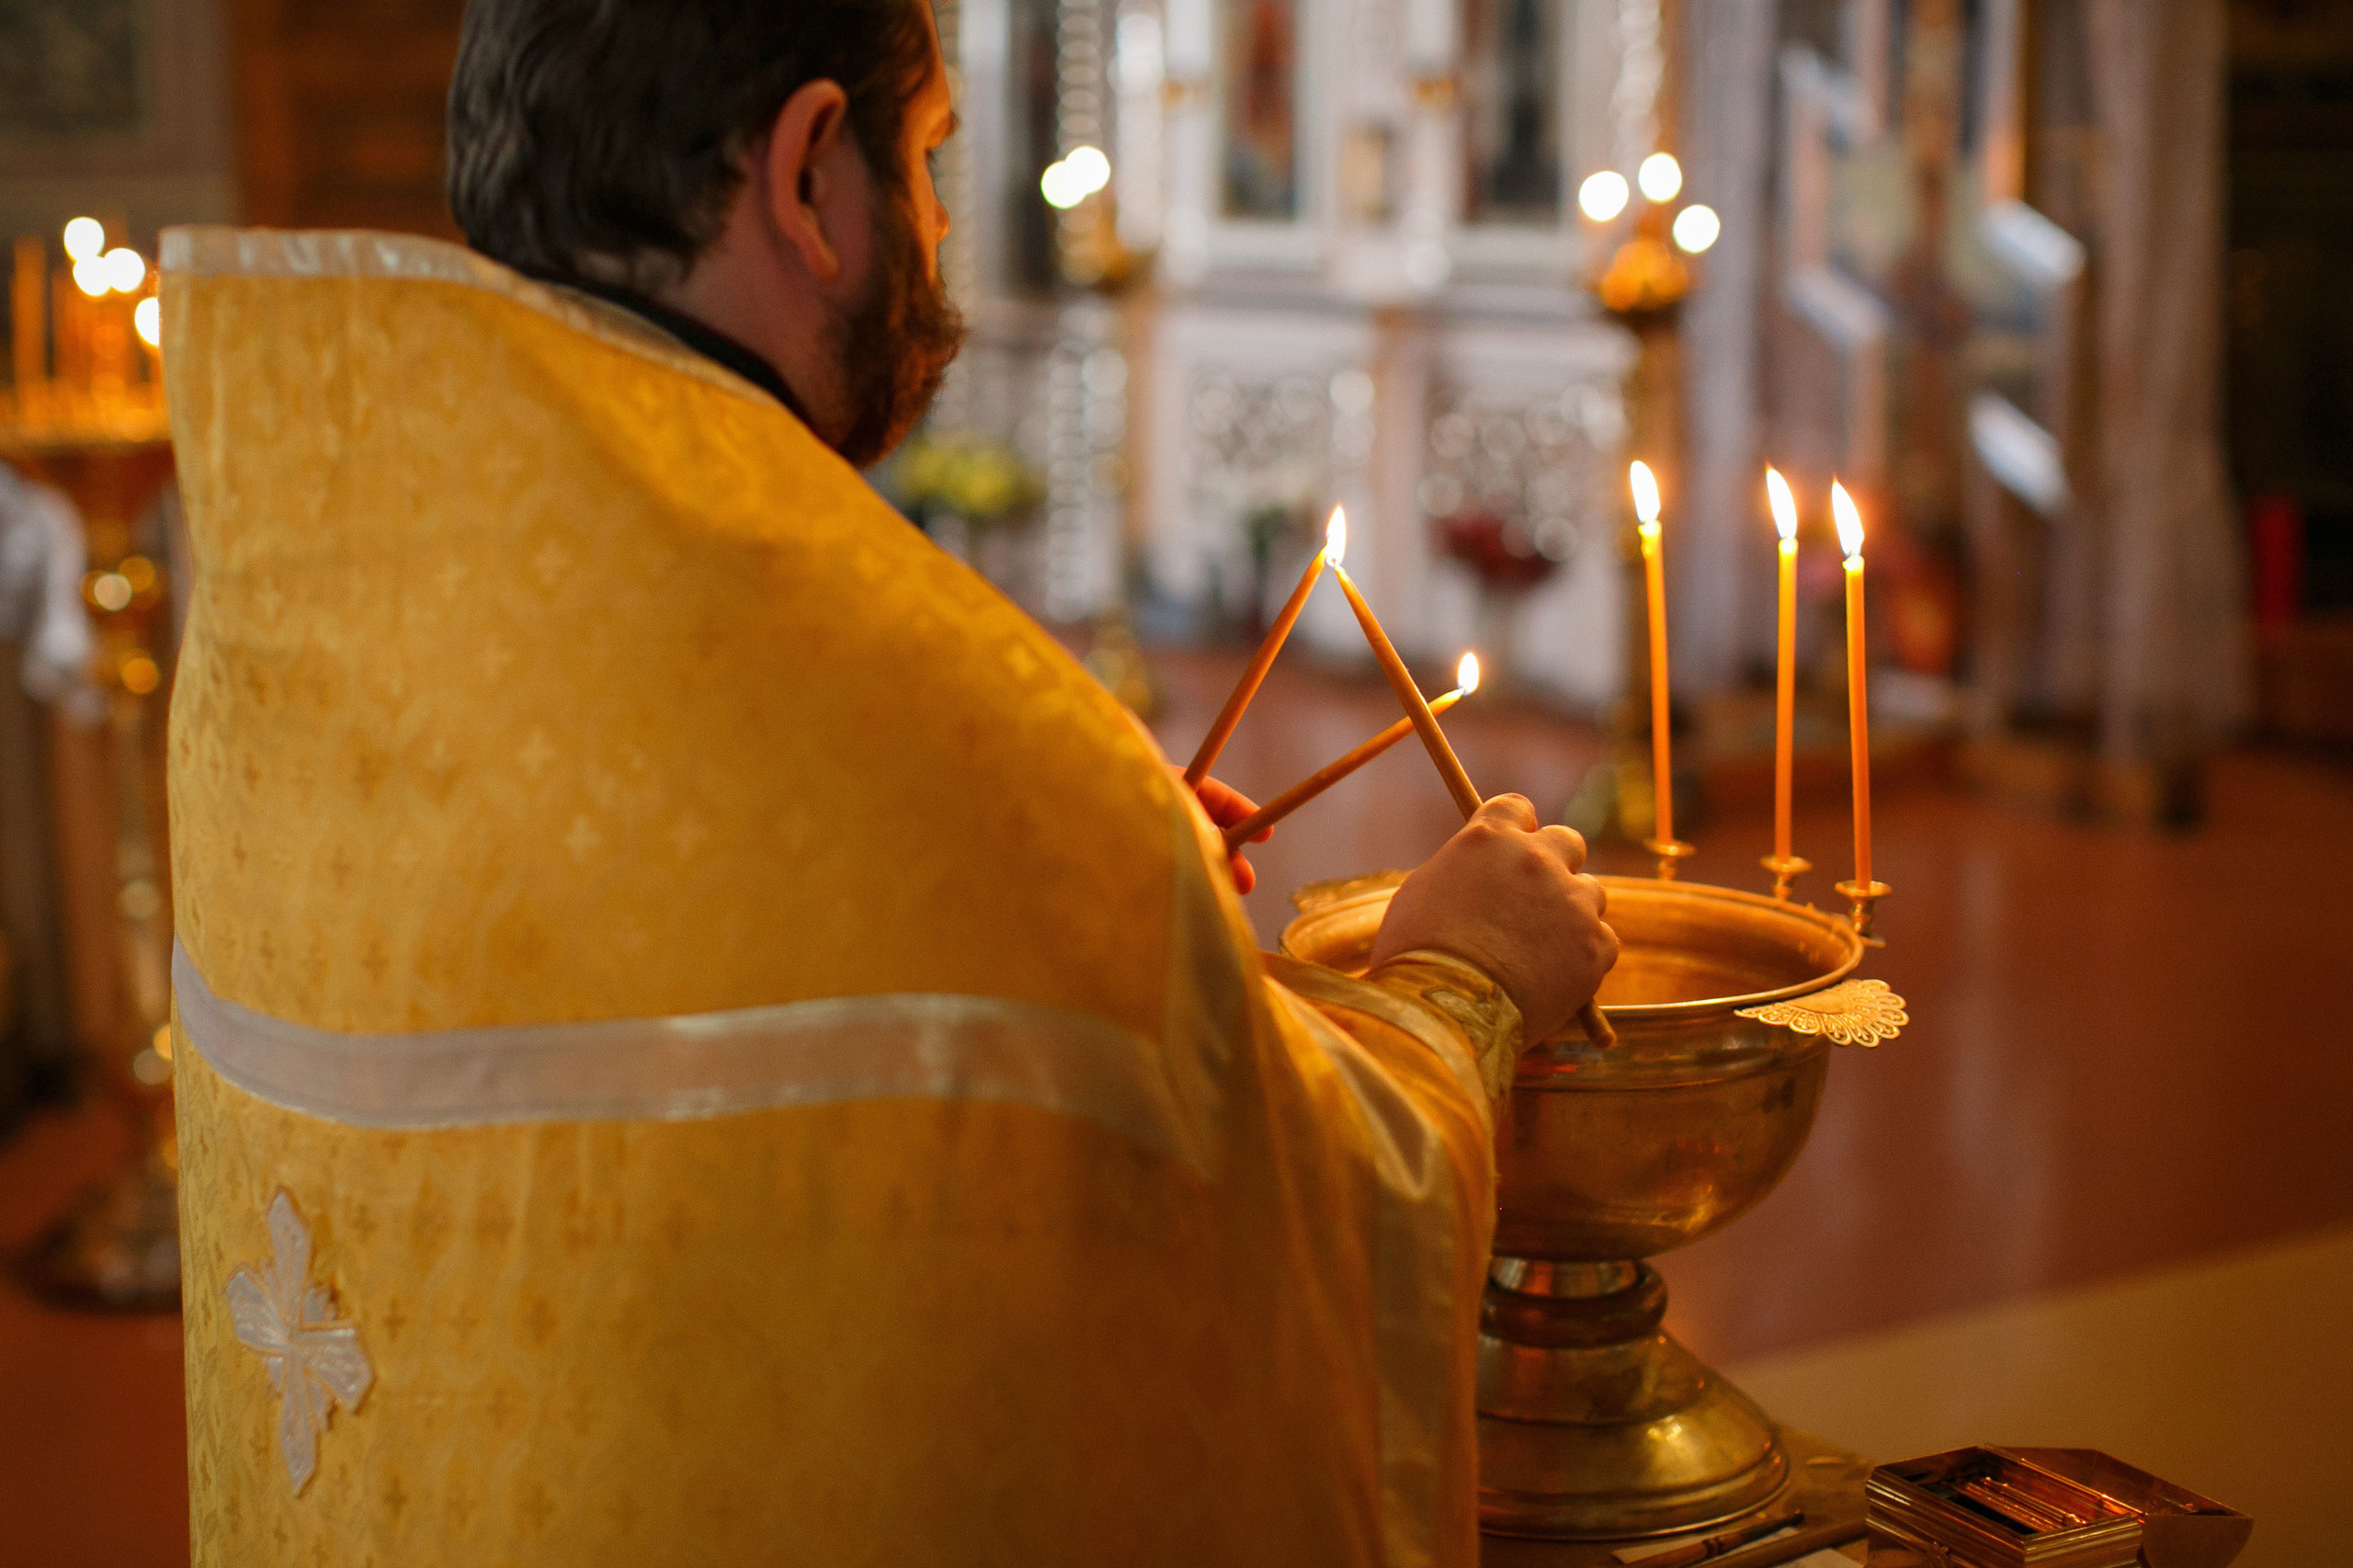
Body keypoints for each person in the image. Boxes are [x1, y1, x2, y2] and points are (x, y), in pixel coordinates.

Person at [160, 1, 1616, 1562]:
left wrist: (1083, 889)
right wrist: (1456, 979)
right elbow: (1306, 1235)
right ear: (804, 176)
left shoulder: (296, 599)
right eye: (925, 160)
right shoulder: (958, 720)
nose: (936, 222)